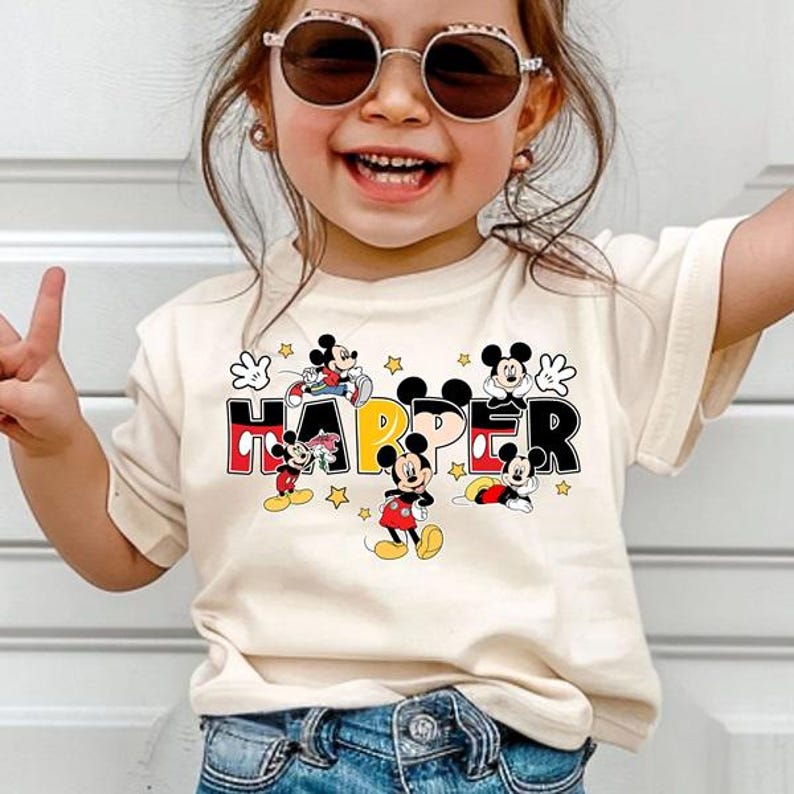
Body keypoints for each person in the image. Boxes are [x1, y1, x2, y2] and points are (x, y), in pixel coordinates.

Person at [1, 1, 792, 792]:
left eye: (465, 65)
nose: (398, 102)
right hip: (275, 762)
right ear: (261, 92)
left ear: (530, 110)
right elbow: (121, 552)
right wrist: (52, 442)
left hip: (512, 764)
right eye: (336, 54)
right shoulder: (196, 335)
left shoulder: (599, 304)